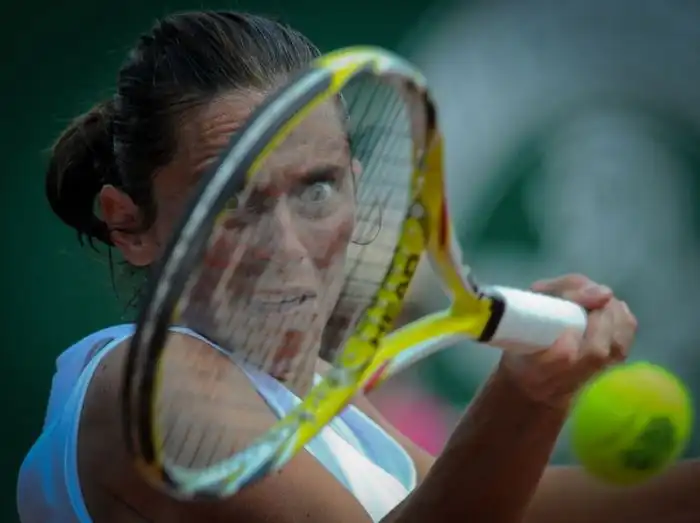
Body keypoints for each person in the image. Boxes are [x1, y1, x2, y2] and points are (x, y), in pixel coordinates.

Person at [16, 10, 695, 523]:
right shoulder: (153, 389)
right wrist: (526, 396)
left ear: (355, 184)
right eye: (230, 202)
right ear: (130, 225)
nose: (287, 247)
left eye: (317, 188)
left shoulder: (311, 387)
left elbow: (498, 502)